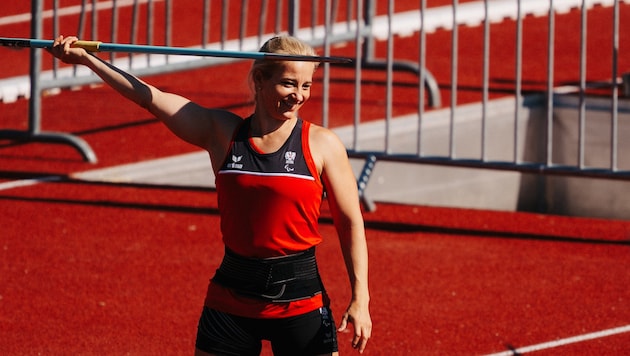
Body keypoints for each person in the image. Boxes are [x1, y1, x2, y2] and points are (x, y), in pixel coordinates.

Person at [49, 35, 371, 355]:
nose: (298, 96)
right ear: (259, 79)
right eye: (288, 84)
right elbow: (150, 98)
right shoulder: (222, 132)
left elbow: (349, 222)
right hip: (231, 299)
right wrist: (88, 60)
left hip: (300, 302)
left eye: (306, 86)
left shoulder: (322, 144)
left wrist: (361, 298)